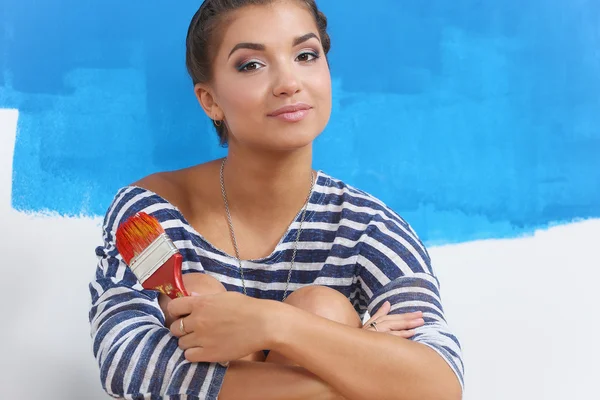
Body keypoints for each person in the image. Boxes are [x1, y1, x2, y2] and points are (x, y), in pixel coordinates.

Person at [89, 0, 464, 398]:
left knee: (323, 307)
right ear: (209, 100)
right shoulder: (152, 210)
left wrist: (276, 325)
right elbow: (127, 363)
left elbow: (439, 384)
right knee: (198, 293)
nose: (289, 82)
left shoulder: (367, 228)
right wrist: (354, 376)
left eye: (306, 55)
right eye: (251, 64)